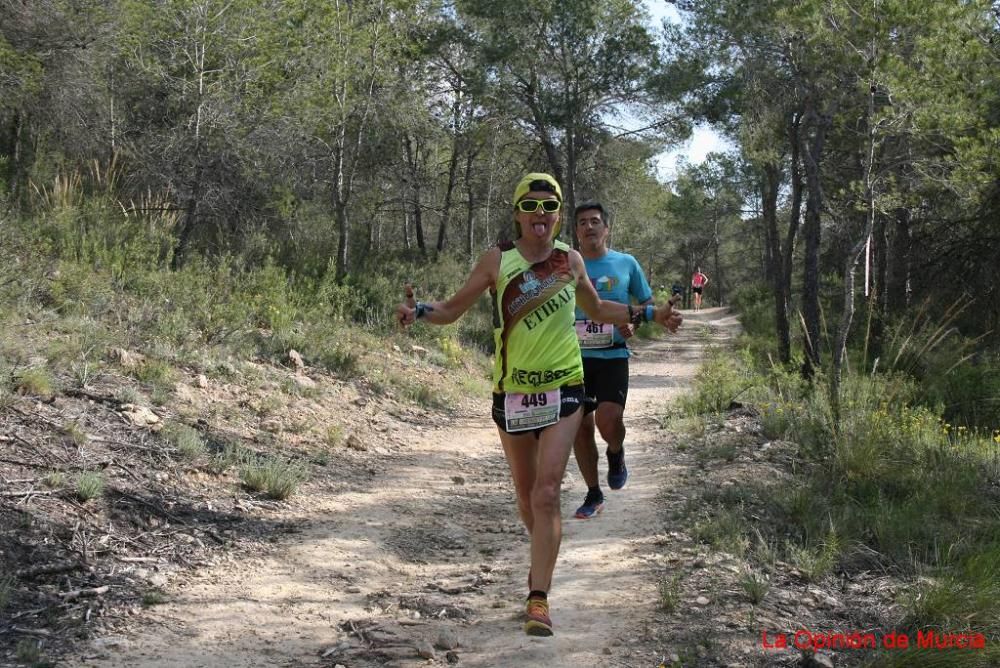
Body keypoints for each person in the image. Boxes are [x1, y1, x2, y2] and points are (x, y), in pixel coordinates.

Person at [396, 173, 682, 638]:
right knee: (528, 499)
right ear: (516, 213)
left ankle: (539, 599)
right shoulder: (497, 260)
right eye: (531, 206)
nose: (540, 215)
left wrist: (648, 313)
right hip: (512, 392)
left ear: (557, 214)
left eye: (550, 206)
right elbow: (452, 309)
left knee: (548, 493)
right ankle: (541, 561)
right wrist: (421, 311)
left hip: (565, 388)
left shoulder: (570, 260)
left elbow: (597, 309)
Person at [571, 201, 653, 519]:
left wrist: (634, 323)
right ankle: (593, 493)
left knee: (608, 421)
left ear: (607, 229)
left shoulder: (626, 263)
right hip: (573, 358)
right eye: (582, 223)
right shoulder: (567, 265)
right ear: (576, 232)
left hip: (613, 356)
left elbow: (645, 302)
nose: (589, 227)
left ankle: (616, 451)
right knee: (580, 428)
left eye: (595, 221)